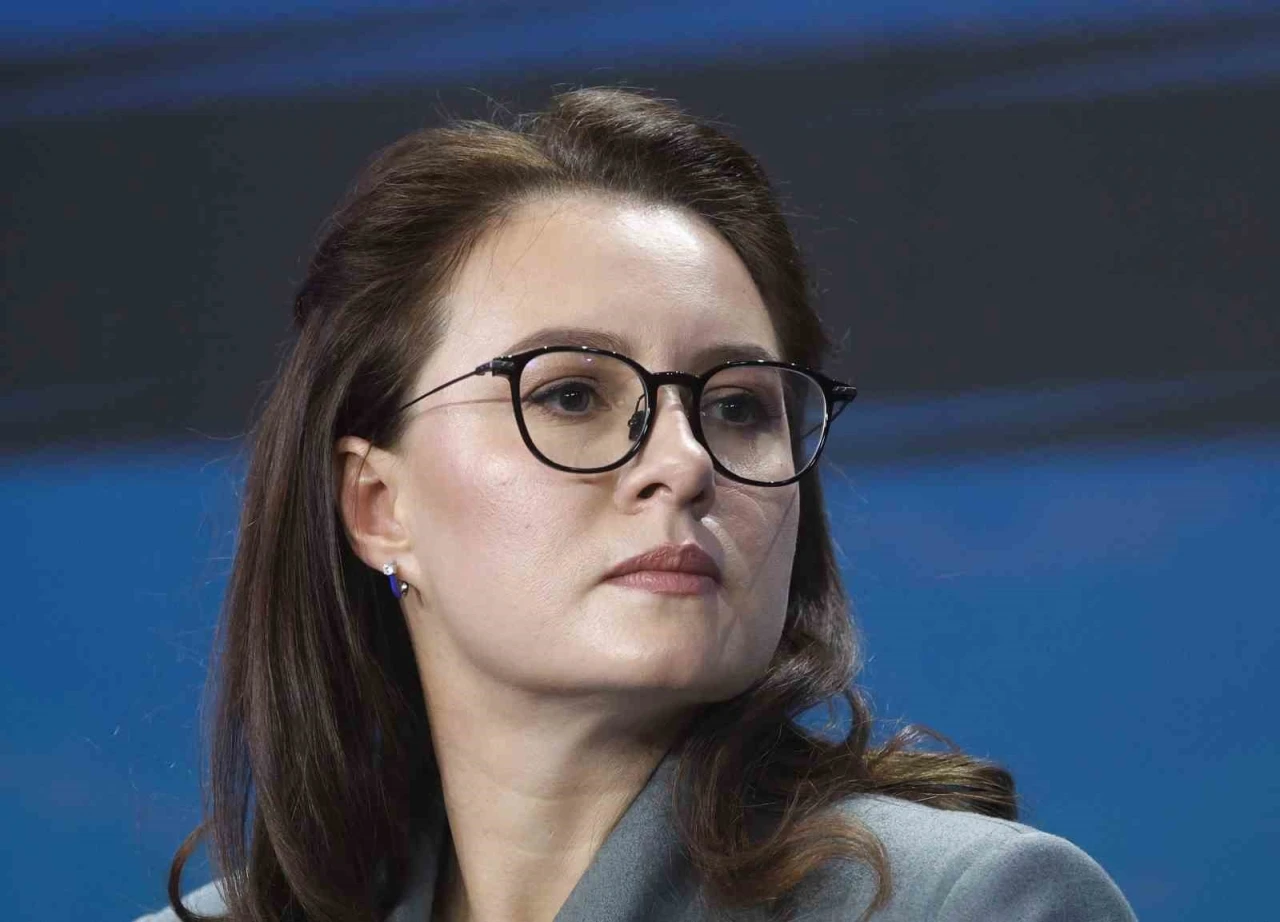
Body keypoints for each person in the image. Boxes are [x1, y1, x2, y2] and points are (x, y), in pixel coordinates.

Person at [134, 87, 1136, 922]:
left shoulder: (971, 905)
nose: (685, 463)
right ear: (376, 505)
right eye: (572, 395)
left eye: (737, 406)